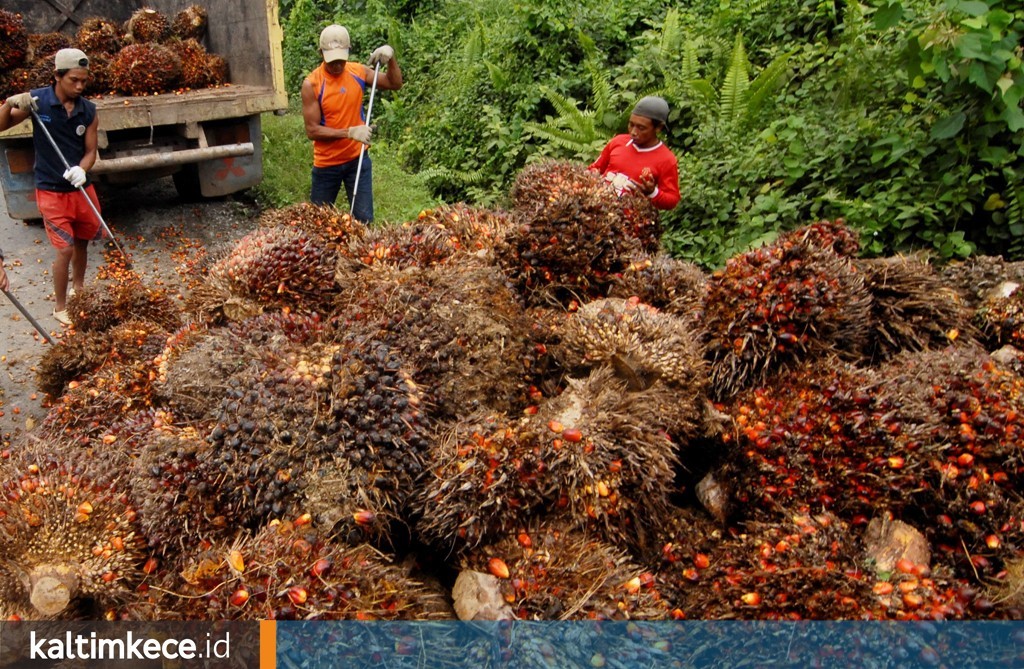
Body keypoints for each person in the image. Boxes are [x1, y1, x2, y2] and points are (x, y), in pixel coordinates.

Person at [0, 48, 102, 326]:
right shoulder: (37, 102)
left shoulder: (88, 111)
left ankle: (78, 289)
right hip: (51, 190)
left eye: (84, 80)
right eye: (73, 80)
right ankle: (60, 306)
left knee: (82, 242)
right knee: (65, 249)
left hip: (80, 189)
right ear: (57, 76)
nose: (80, 86)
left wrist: (83, 168)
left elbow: (91, 150)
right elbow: (0, 126)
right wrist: (9, 104)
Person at [301, 24, 403, 223]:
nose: (337, 65)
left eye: (341, 60)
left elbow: (395, 83)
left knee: (363, 220)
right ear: (321, 53)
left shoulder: (358, 72)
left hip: (357, 160)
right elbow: (312, 130)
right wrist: (349, 132)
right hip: (326, 164)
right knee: (318, 223)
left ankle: (359, 253)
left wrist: (391, 59)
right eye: (332, 61)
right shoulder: (312, 84)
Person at [589, 95, 680, 211]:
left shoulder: (666, 159)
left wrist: (653, 192)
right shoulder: (618, 142)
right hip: (596, 213)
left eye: (641, 128)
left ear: (658, 128)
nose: (633, 132)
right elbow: (594, 169)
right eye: (631, 125)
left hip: (629, 224)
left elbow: (672, 200)